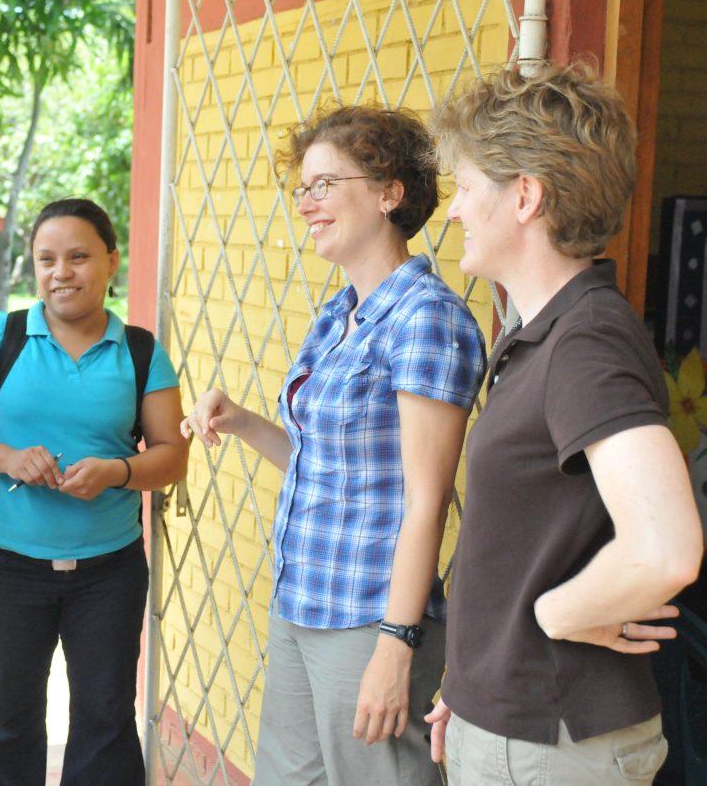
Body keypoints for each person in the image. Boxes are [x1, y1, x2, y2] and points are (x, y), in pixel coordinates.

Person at [182, 106, 486, 785]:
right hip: (303, 600)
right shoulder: (336, 315)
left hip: (368, 617)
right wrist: (241, 421)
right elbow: (326, 466)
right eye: (303, 189)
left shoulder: (426, 319)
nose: (307, 204)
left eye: (324, 185)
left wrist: (396, 644)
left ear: (389, 193)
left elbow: (425, 500)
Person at [425, 63, 703, 785]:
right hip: (516, 726)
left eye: (466, 186)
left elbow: (667, 547)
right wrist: (470, 685)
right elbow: (520, 543)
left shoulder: (586, 339)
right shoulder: (547, 333)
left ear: (525, 196)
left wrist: (556, 613)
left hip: (553, 746)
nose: (453, 210)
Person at [0, 198, 189, 785]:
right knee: (7, 714)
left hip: (108, 572)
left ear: (110, 262)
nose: (60, 272)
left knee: (105, 718)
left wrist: (117, 472)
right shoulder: (5, 333)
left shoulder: (141, 351)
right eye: (46, 259)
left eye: (77, 257)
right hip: (9, 567)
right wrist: (10, 459)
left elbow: (172, 456)